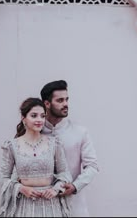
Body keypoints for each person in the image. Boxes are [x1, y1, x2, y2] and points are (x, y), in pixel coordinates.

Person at [0, 97, 72, 217]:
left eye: (42, 116)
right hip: (24, 207)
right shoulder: (12, 146)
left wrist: (55, 189)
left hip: (51, 207)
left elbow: (65, 173)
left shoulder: (54, 144)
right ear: (23, 118)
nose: (39, 120)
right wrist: (21, 188)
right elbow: (3, 178)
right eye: (34, 115)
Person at [40, 80, 99, 217]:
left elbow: (92, 166)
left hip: (74, 207)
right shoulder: (35, 132)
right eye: (60, 100)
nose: (65, 104)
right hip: (41, 207)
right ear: (47, 104)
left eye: (66, 99)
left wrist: (74, 186)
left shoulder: (80, 132)